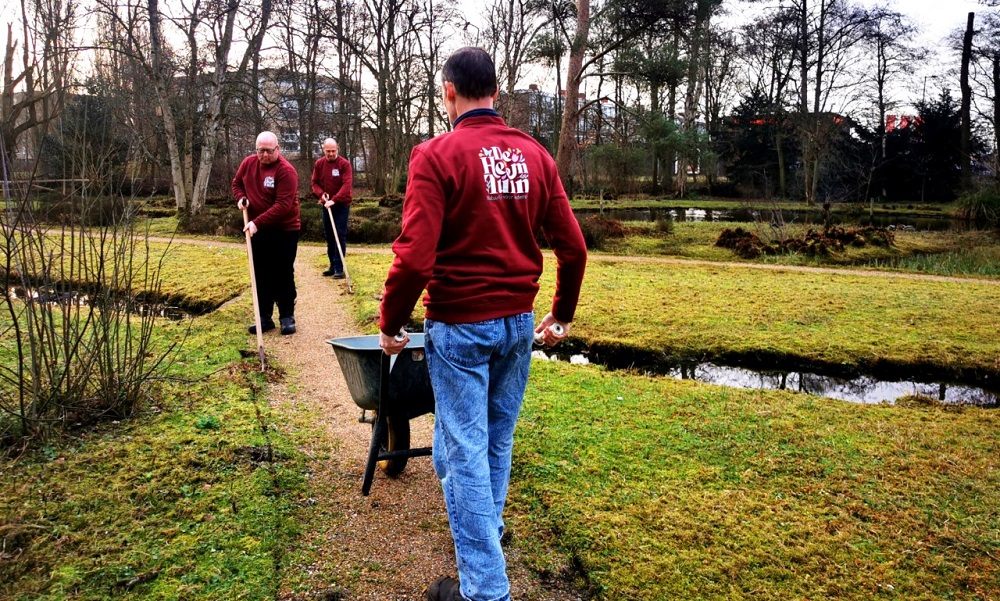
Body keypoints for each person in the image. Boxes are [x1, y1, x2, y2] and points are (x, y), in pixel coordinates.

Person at [378, 48, 587, 601]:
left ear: (449, 92)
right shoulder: (535, 156)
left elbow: (416, 259)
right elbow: (573, 247)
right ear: (495, 90)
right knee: (488, 440)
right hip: (517, 325)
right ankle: (486, 533)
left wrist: (390, 323)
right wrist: (561, 314)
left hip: (461, 327)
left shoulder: (436, 154)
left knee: (465, 449)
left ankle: (485, 590)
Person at [232, 130, 301, 336]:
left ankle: (287, 316)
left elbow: (283, 205)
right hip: (256, 229)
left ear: (277, 149)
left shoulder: (286, 171)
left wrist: (257, 222)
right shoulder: (248, 164)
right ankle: (264, 316)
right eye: (260, 150)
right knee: (260, 272)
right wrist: (241, 197)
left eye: (268, 151)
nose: (263, 155)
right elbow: (237, 184)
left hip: (284, 230)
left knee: (282, 271)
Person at [310, 137, 353, 277]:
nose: (331, 154)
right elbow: (314, 183)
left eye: (333, 151)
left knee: (339, 235)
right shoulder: (319, 164)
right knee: (329, 236)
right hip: (326, 205)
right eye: (328, 151)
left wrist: (334, 200)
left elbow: (347, 185)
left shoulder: (344, 164)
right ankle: (332, 266)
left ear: (337, 149)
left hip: (341, 205)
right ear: (323, 150)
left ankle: (339, 268)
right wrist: (322, 195)